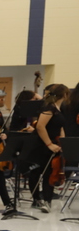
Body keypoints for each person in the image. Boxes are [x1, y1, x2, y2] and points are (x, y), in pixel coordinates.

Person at [26, 83, 67, 213]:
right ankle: (36, 199)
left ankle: (47, 201)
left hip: (54, 144)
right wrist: (49, 144)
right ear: (64, 95)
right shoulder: (49, 108)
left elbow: (60, 127)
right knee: (37, 172)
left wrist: (62, 143)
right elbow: (40, 127)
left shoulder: (59, 108)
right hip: (41, 144)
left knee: (50, 172)